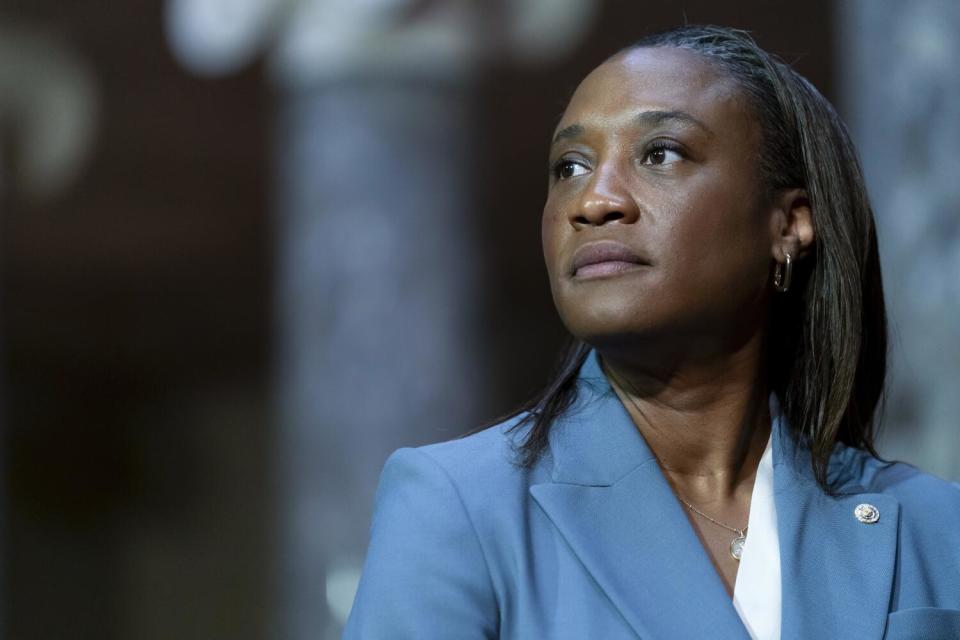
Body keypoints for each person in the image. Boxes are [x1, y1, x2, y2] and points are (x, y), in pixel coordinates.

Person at [343, 25, 960, 640]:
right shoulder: (457, 506)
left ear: (789, 224)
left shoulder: (934, 527)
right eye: (571, 166)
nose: (594, 201)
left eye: (660, 153)